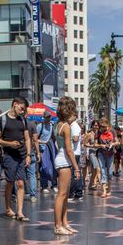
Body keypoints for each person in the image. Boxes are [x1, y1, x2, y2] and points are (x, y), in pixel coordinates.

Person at [0, 97, 31, 222]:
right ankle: (8, 208)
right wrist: (9, 144)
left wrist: (29, 154)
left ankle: (20, 211)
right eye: (21, 108)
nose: (22, 111)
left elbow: (27, 139)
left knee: (21, 183)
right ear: (15, 104)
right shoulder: (2, 120)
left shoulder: (23, 120)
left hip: (21, 155)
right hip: (9, 156)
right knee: (10, 183)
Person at [53, 96, 80, 235]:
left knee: (64, 194)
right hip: (64, 160)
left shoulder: (57, 124)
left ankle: (64, 223)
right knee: (62, 194)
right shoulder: (67, 127)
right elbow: (70, 150)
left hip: (60, 158)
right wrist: (76, 167)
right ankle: (58, 225)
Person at [96, 118, 118, 198]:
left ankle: (109, 189)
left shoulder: (112, 131)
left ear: (108, 125)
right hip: (101, 153)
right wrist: (101, 145)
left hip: (110, 153)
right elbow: (95, 144)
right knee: (102, 170)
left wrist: (112, 144)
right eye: (101, 126)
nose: (103, 128)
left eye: (104, 126)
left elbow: (117, 142)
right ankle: (104, 191)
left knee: (109, 171)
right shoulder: (98, 132)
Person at [37, 112, 57, 193]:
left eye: (49, 117)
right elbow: (35, 139)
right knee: (43, 168)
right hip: (42, 150)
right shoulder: (40, 126)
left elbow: (54, 139)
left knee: (53, 167)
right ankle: (44, 186)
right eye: (46, 117)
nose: (48, 119)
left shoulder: (52, 126)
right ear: (44, 117)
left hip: (50, 150)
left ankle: (54, 184)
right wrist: (43, 142)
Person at [69, 116, 84, 200]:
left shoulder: (74, 126)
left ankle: (72, 192)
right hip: (75, 152)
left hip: (74, 153)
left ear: (74, 117)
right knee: (76, 172)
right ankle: (78, 192)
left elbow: (75, 138)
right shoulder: (72, 125)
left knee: (73, 173)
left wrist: (66, 138)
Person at [26, 116, 40, 203]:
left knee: (18, 176)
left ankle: (16, 195)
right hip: (30, 152)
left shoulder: (17, 123)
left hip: (20, 152)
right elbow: (35, 140)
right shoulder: (31, 124)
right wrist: (38, 153)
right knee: (32, 175)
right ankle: (32, 195)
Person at [85, 121, 99, 190]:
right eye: (95, 125)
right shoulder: (89, 134)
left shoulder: (99, 133)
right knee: (95, 167)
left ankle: (91, 184)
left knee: (95, 169)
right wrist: (92, 145)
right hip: (92, 152)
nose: (96, 127)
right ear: (92, 126)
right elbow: (85, 143)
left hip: (98, 152)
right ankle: (92, 183)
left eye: (97, 125)